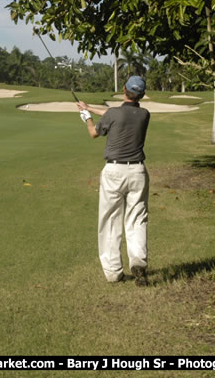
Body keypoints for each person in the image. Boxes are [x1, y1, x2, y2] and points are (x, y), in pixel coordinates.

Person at [76, 76, 151, 286]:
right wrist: (88, 107)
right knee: (137, 219)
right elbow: (115, 115)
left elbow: (94, 133)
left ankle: (113, 272)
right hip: (137, 171)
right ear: (142, 95)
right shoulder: (144, 114)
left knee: (110, 220)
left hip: (114, 171)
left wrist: (85, 116)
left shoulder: (115, 114)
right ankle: (138, 261)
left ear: (124, 90)